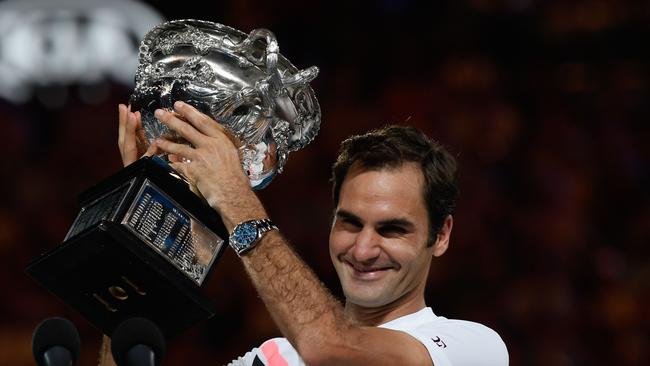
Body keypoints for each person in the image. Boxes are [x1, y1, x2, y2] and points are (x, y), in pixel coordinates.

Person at [100, 102, 508, 366]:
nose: (363, 248)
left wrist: (233, 198)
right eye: (350, 222)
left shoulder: (471, 347)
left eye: (392, 229)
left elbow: (332, 349)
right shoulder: (271, 358)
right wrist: (143, 214)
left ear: (440, 236)